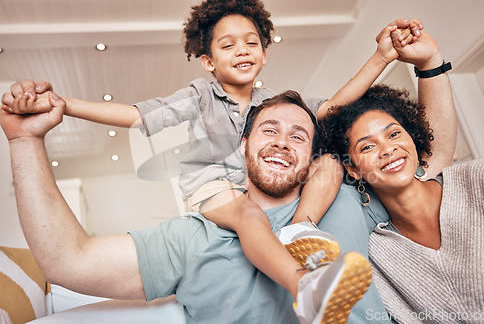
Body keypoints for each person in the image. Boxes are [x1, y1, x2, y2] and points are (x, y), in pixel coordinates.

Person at [0, 0, 423, 297]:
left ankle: (301, 228)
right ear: (208, 61)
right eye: (228, 45)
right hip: (214, 187)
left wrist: (383, 58)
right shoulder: (198, 97)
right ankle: (302, 285)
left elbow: (332, 106)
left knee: (329, 161)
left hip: (265, 194)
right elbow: (135, 115)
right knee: (248, 218)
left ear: (264, 51)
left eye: (251, 42)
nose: (242, 50)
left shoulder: (274, 102)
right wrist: (63, 104)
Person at [2, 90, 387, 323]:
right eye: (270, 130)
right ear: (243, 145)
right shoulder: (194, 236)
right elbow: (69, 260)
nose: (283, 142)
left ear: (312, 154)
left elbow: (436, 178)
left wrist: (430, 64)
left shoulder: (348, 197)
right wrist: (24, 141)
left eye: (298, 136)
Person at [321, 88, 484, 321]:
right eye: (368, 146)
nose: (387, 149)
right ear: (353, 170)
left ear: (413, 140)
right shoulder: (377, 253)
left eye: (394, 134)